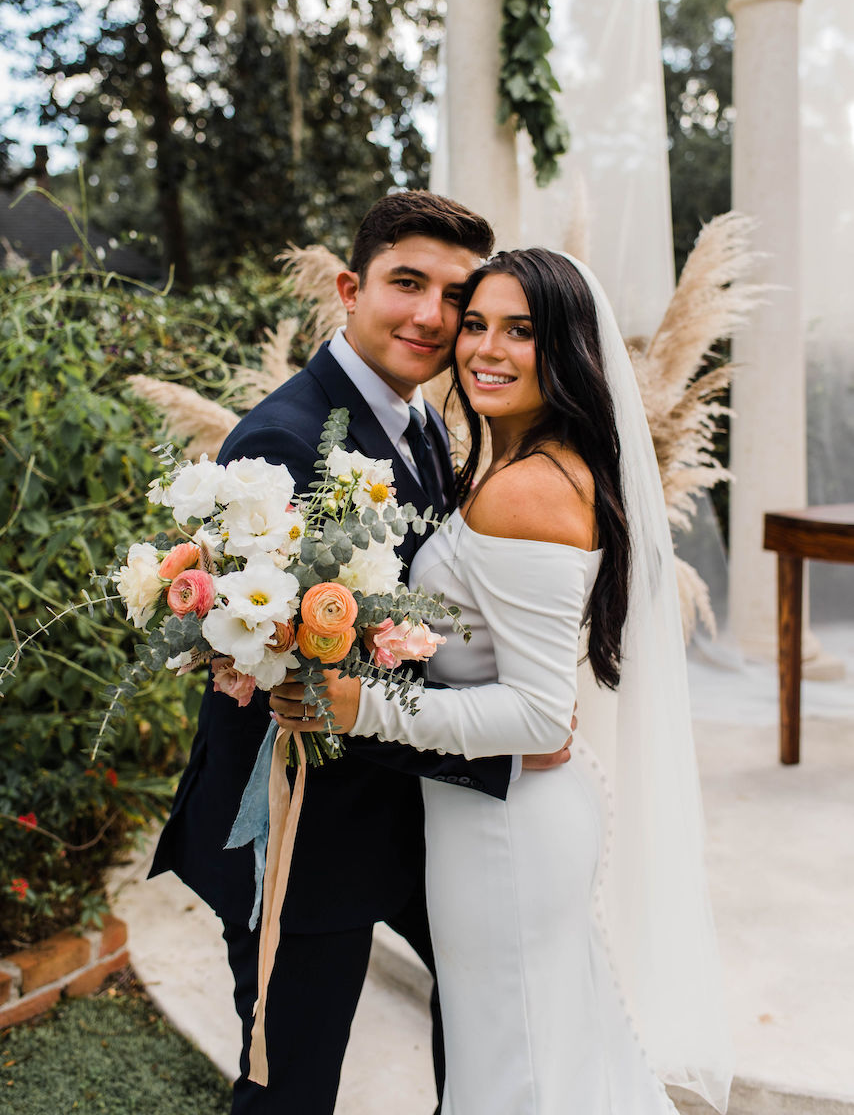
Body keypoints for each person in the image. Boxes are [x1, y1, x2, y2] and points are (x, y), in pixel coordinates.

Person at [276, 248, 733, 1114]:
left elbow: (534, 714)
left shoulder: (529, 490)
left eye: (520, 330)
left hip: (506, 833)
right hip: (495, 819)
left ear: (568, 349)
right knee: (535, 1058)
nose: (484, 348)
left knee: (515, 1073)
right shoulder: (530, 464)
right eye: (476, 324)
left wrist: (353, 701)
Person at [149, 193, 568, 1115]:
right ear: (350, 288)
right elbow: (287, 689)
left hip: (396, 812)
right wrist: (489, 743)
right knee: (289, 1086)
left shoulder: (420, 419)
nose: (431, 316)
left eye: (455, 295)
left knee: (491, 1013)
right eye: (405, 283)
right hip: (300, 831)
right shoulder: (284, 440)